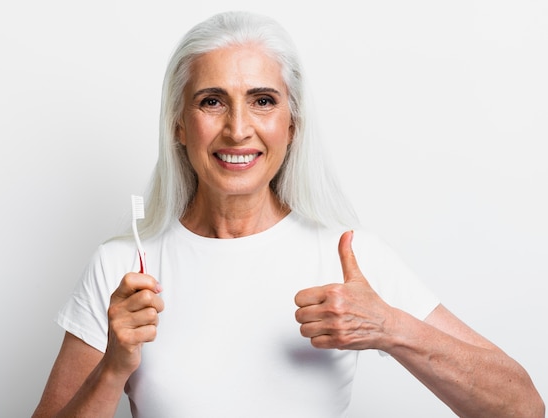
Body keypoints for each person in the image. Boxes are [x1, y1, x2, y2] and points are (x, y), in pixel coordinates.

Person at [32, 11, 544, 418]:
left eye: (262, 101)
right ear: (179, 125)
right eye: (212, 101)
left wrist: (391, 326)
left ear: (292, 123)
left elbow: (523, 407)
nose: (238, 129)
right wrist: (113, 369)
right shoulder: (123, 267)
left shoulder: (349, 259)